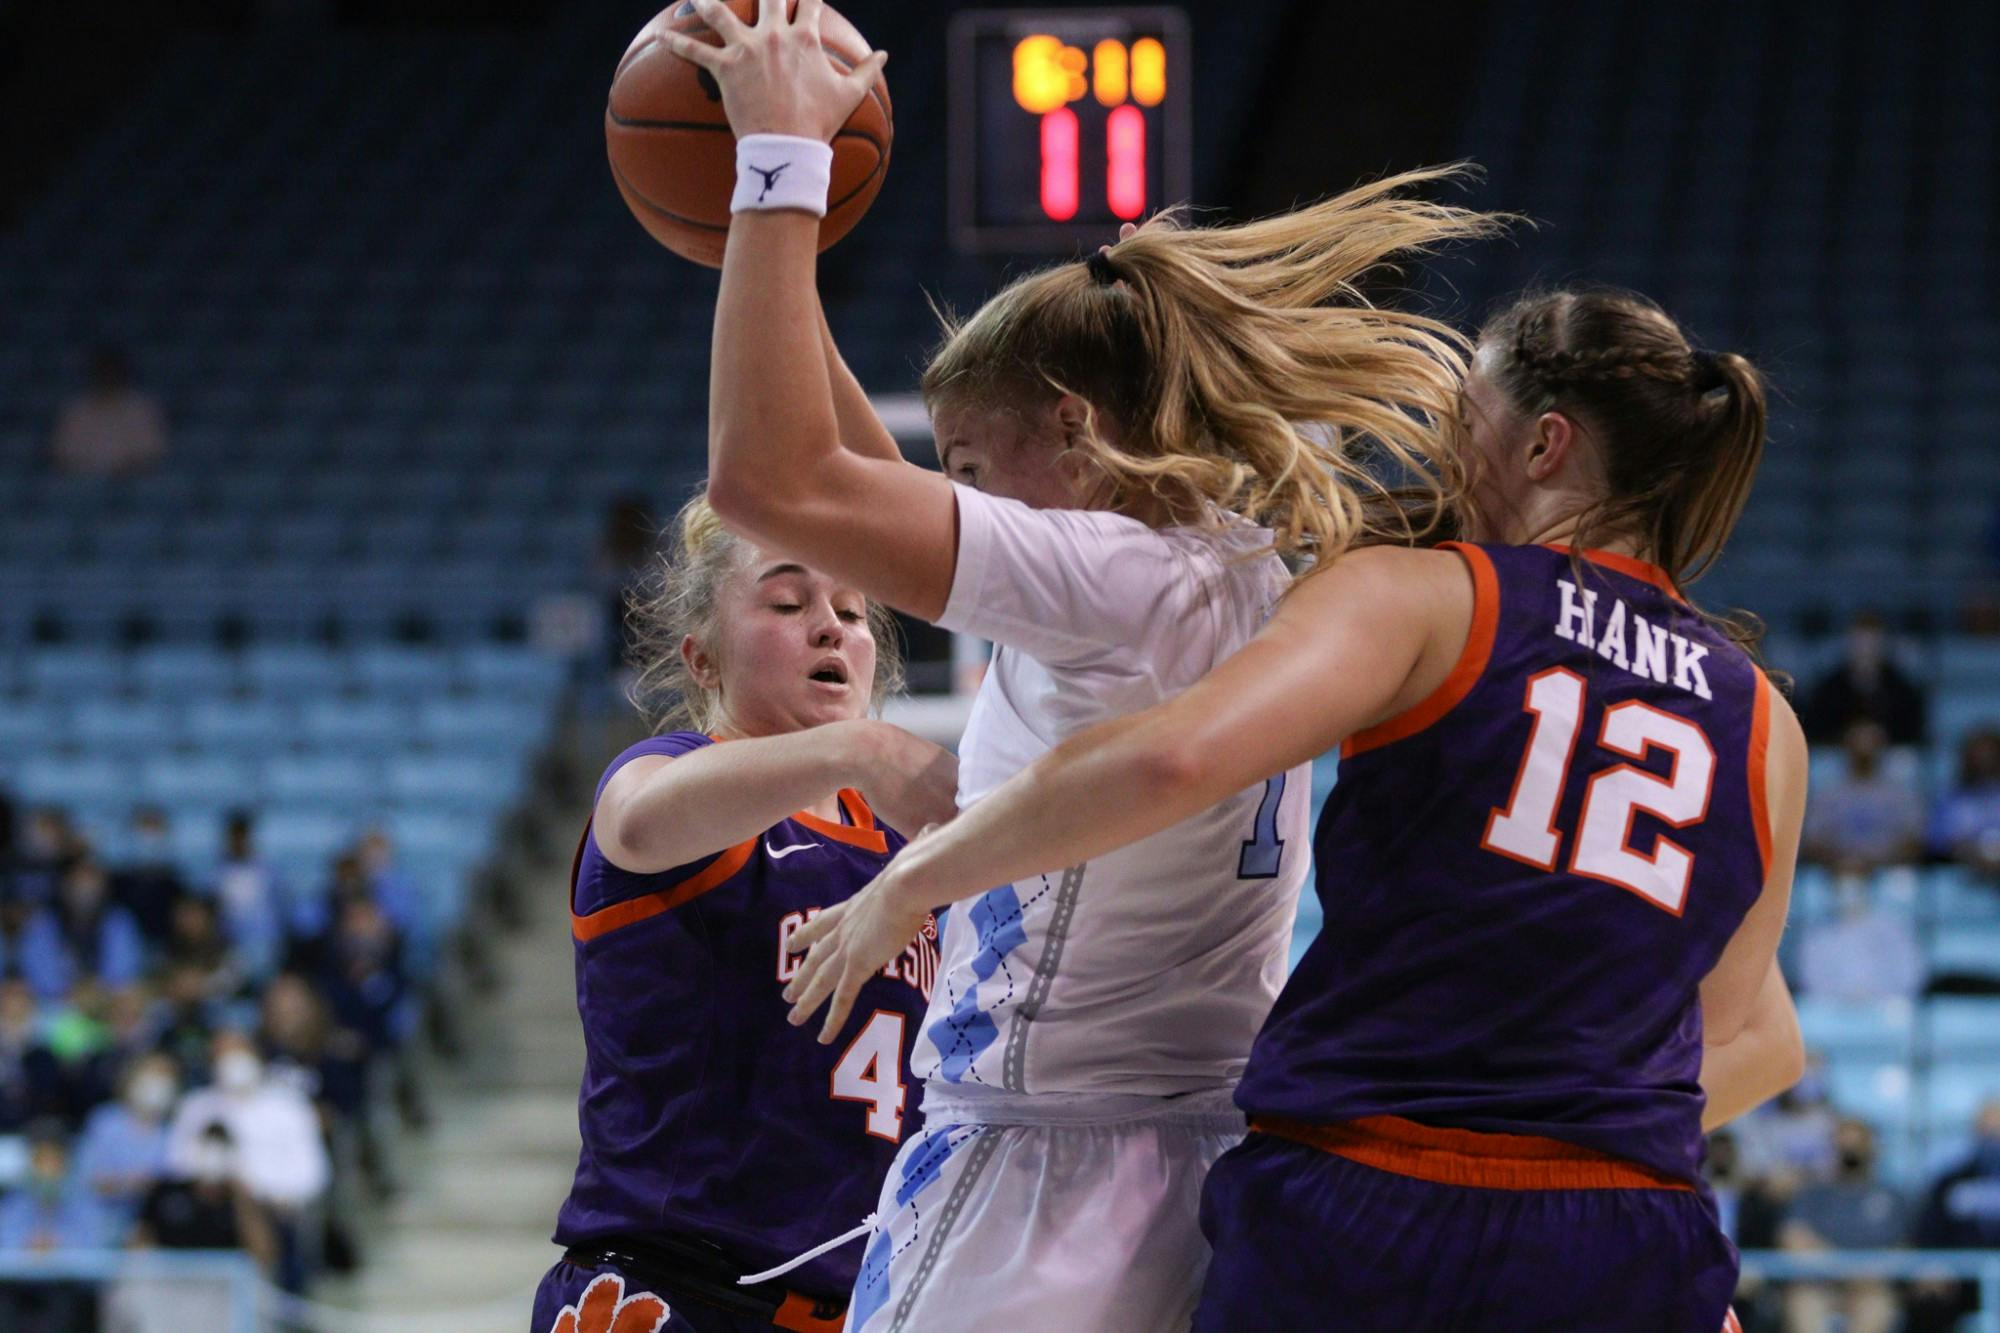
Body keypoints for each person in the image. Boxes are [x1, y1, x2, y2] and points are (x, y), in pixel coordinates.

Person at [669, 7, 1498, 1326]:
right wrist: (771, 256)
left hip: (1036, 1164)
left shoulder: (1104, 574)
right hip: (1196, 1160)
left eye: (975, 469)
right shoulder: (1230, 566)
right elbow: (869, 492)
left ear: (1078, 430)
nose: (956, 500)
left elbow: (767, 480)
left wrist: (779, 168)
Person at [788, 287, 1808, 1330]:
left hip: (1371, 1199)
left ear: (1543, 444)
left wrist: (919, 873)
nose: (1445, 450)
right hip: (1620, 1230)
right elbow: (1753, 1036)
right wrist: (1563, 1163)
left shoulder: (1426, 595)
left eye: (1466, 421)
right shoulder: (1765, 722)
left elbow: (1173, 755)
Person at [532, 497, 958, 1333]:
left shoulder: (912, 852)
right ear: (702, 658)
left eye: (852, 609)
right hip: (674, 1292)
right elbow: (635, 822)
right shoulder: (672, 771)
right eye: (788, 603)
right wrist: (861, 747)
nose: (830, 627)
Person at [1776, 1117, 1907, 1333]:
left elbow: (1901, 1249)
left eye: (1857, 1145)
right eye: (1844, 1145)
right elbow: (1793, 1240)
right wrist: (1843, 1268)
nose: (1850, 1152)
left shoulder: (1891, 1196)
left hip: (1869, 1287)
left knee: (1877, 1308)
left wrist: (1863, 1273)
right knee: (1803, 1304)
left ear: (1871, 1148)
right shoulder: (1812, 1193)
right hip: (1818, 1285)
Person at [1800, 719, 1924, 870]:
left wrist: (1876, 863)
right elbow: (1813, 842)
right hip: (1836, 873)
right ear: (1846, 746)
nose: (1864, 748)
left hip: (1888, 873)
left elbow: (1914, 841)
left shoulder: (1900, 795)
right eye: (1858, 742)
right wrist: (1842, 862)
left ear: (1881, 746)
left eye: (1870, 742)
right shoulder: (1829, 794)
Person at [74, 1053, 178, 1232]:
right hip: (99, 1222)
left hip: (151, 1227)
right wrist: (133, 1184)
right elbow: (88, 1179)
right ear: (133, 1078)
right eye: (151, 1075)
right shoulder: (104, 1122)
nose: (157, 1084)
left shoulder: (172, 1131)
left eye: (164, 1077)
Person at [1801, 611, 1927, 746]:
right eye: (1860, 644)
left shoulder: (1901, 690)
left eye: (1872, 644)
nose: (1866, 651)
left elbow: (1914, 730)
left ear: (1883, 646)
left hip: (1889, 754)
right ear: (1850, 644)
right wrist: (1846, 736)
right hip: (1839, 754)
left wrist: (1881, 736)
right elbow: (1816, 729)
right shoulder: (1829, 689)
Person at [48, 343, 169, 478]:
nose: (109, 378)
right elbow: (63, 454)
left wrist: (123, 471)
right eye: (104, 373)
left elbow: (152, 453)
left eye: (113, 373)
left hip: (133, 482)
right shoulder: (76, 410)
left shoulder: (142, 409)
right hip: (85, 483)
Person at [1928, 727, 2000, 879]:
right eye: (1978, 754)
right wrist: (1969, 852)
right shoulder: (1950, 800)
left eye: (1990, 754)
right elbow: (1937, 841)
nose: (1983, 760)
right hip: (1961, 876)